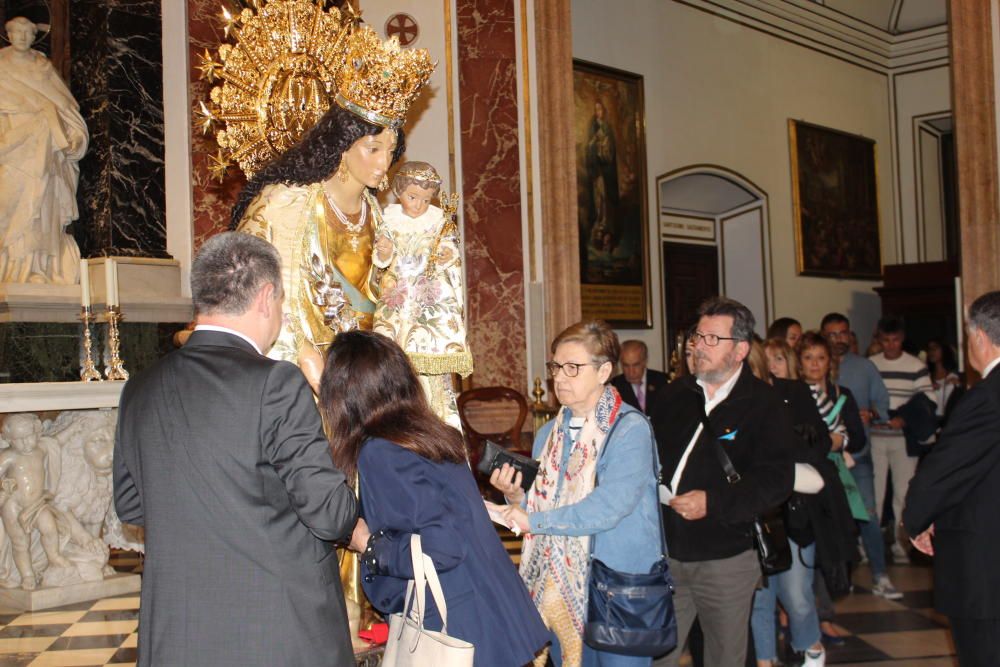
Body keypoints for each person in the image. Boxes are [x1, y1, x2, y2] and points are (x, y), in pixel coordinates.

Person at [113, 233, 359, 666]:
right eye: (282, 302)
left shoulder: (140, 387)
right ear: (266, 297)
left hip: (178, 632)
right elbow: (330, 513)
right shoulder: (276, 383)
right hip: (280, 631)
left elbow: (131, 506)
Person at [318, 330, 547, 666]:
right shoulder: (431, 435)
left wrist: (366, 541)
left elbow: (442, 546)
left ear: (344, 394)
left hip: (457, 628)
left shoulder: (381, 452)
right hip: (492, 617)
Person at [231, 24, 434, 393]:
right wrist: (313, 367)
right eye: (373, 149)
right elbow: (260, 295)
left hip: (369, 379)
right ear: (341, 145)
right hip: (305, 378)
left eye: (391, 151)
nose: (383, 163)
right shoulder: (285, 204)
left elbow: (385, 301)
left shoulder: (377, 214)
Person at [491, 320, 661, 667]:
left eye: (573, 367)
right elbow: (539, 504)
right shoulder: (548, 434)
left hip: (614, 589)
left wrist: (533, 519)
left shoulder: (629, 430)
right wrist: (513, 499)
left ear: (604, 371)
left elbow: (607, 508)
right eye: (556, 366)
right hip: (557, 586)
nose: (560, 377)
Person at [650, 297, 794, 667]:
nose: (698, 346)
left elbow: (775, 481)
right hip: (667, 553)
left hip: (726, 557)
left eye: (712, 339)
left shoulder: (764, 404)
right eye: (697, 336)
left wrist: (712, 502)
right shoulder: (671, 397)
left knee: (724, 658)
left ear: (740, 350)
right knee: (657, 657)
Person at [904, 290, 1000, 666]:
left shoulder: (987, 397)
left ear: (978, 335)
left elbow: (945, 470)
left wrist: (916, 518)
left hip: (985, 568)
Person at [751, 338, 834, 667]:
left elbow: (821, 442)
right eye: (766, 360)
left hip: (795, 511)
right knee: (761, 598)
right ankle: (765, 659)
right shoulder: (741, 401)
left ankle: (809, 644)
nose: (772, 366)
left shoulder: (796, 393)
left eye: (779, 359)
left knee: (797, 595)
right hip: (757, 512)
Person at [372, 161, 472, 428]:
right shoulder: (388, 219)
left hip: (426, 301)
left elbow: (451, 254)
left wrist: (444, 255)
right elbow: (381, 260)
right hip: (399, 300)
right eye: (412, 197)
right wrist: (383, 251)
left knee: (430, 374)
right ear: (398, 192)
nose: (417, 205)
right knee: (393, 362)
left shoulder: (439, 222)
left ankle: (435, 417)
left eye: (425, 200)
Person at [820, 312, 901, 603]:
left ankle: (880, 575)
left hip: (858, 455)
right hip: (826, 459)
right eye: (831, 334)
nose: (838, 339)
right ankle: (842, 577)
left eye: (843, 333)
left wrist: (872, 413)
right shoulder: (815, 366)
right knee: (833, 519)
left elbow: (882, 402)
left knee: (868, 514)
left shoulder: (864, 367)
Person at [0, 16, 87, 285]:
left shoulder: (43, 67)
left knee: (42, 209)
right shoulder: (0, 68)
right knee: (14, 205)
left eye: (28, 33)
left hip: (46, 149)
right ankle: (11, 267)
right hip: (13, 147)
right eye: (17, 32)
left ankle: (37, 267)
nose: (23, 37)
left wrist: (74, 136)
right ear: (8, 34)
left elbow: (67, 108)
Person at [869, 315, 936, 562]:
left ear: (902, 339)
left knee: (902, 493)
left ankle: (901, 544)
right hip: (875, 436)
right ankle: (872, 545)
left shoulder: (914, 366)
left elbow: (929, 401)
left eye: (895, 340)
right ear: (879, 339)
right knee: (875, 495)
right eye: (886, 340)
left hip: (902, 438)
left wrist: (905, 418)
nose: (890, 345)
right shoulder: (872, 364)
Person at [611, 339, 669, 414]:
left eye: (636, 365)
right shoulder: (614, 386)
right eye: (626, 365)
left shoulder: (662, 381)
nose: (631, 372)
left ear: (645, 361)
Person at [925, 337, 961, 420]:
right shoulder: (926, 377)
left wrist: (958, 386)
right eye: (929, 348)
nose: (931, 351)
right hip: (931, 422)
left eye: (935, 347)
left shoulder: (955, 376)